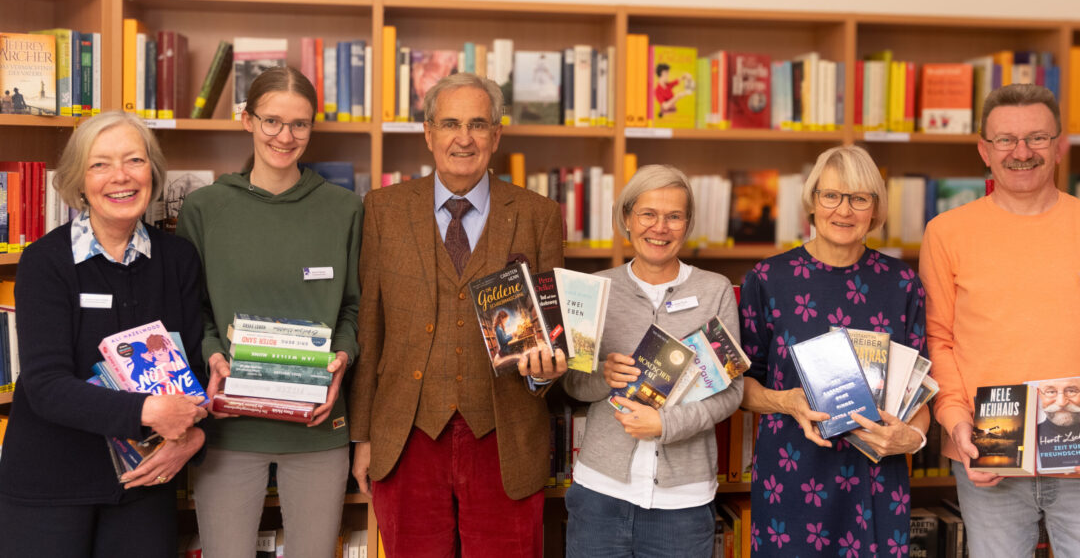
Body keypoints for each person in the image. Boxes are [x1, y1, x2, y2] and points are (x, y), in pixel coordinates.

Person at [348, 72, 566, 557]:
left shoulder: (538, 215)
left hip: (505, 436)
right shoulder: (382, 209)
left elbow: (553, 334)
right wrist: (362, 437)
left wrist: (545, 373)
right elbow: (370, 328)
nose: (463, 138)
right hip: (406, 436)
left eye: (477, 124)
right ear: (428, 133)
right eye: (449, 123)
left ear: (496, 135)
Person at [0, 111, 207, 558]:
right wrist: (150, 410)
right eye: (100, 164)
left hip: (145, 485)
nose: (120, 177)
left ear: (151, 171)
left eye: (134, 160)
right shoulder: (45, 262)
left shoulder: (178, 259)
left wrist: (193, 438)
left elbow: (195, 367)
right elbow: (45, 386)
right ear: (79, 179)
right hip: (50, 486)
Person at [176, 66, 362, 558]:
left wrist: (343, 355)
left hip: (318, 424)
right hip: (231, 424)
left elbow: (354, 306)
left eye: (299, 124)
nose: (285, 136)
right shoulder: (203, 208)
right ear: (247, 120)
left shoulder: (344, 209)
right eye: (272, 121)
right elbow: (192, 310)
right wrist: (214, 354)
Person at [739, 145, 928, 556]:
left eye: (860, 199)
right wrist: (785, 400)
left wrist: (913, 438)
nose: (844, 211)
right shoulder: (768, 278)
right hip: (791, 474)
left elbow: (920, 392)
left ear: (875, 210)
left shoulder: (901, 284)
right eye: (831, 196)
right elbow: (739, 386)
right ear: (813, 201)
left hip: (875, 476)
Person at [921, 83, 1080, 557]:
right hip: (987, 454)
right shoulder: (946, 232)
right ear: (984, 151)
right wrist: (955, 422)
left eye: (1037, 137)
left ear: (1059, 146)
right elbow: (938, 338)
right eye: (1006, 140)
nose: (1022, 152)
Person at [561, 164, 744, 558]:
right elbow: (572, 384)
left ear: (687, 224)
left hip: (682, 502)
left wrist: (667, 424)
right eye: (647, 214)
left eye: (674, 216)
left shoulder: (715, 292)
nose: (659, 227)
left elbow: (731, 393)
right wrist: (602, 377)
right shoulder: (597, 289)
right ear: (627, 218)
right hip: (599, 495)